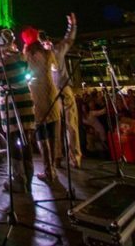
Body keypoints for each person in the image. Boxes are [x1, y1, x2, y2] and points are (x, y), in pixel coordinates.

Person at [0, 29, 36, 193]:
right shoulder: (22, 57)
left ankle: (18, 179)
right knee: (26, 140)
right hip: (26, 101)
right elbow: (29, 75)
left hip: (9, 104)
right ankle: (29, 178)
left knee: (13, 141)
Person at [21, 27, 61, 186]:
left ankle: (48, 170)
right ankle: (53, 170)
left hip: (36, 96)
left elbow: (24, 73)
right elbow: (56, 68)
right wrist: (49, 49)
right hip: (51, 93)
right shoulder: (47, 52)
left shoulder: (27, 55)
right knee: (52, 132)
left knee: (41, 133)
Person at [44, 13, 79, 168]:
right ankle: (63, 158)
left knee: (66, 124)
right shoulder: (53, 52)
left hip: (60, 90)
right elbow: (69, 39)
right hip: (57, 91)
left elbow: (68, 39)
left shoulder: (53, 52)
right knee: (62, 125)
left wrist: (72, 25)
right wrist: (72, 25)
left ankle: (68, 157)